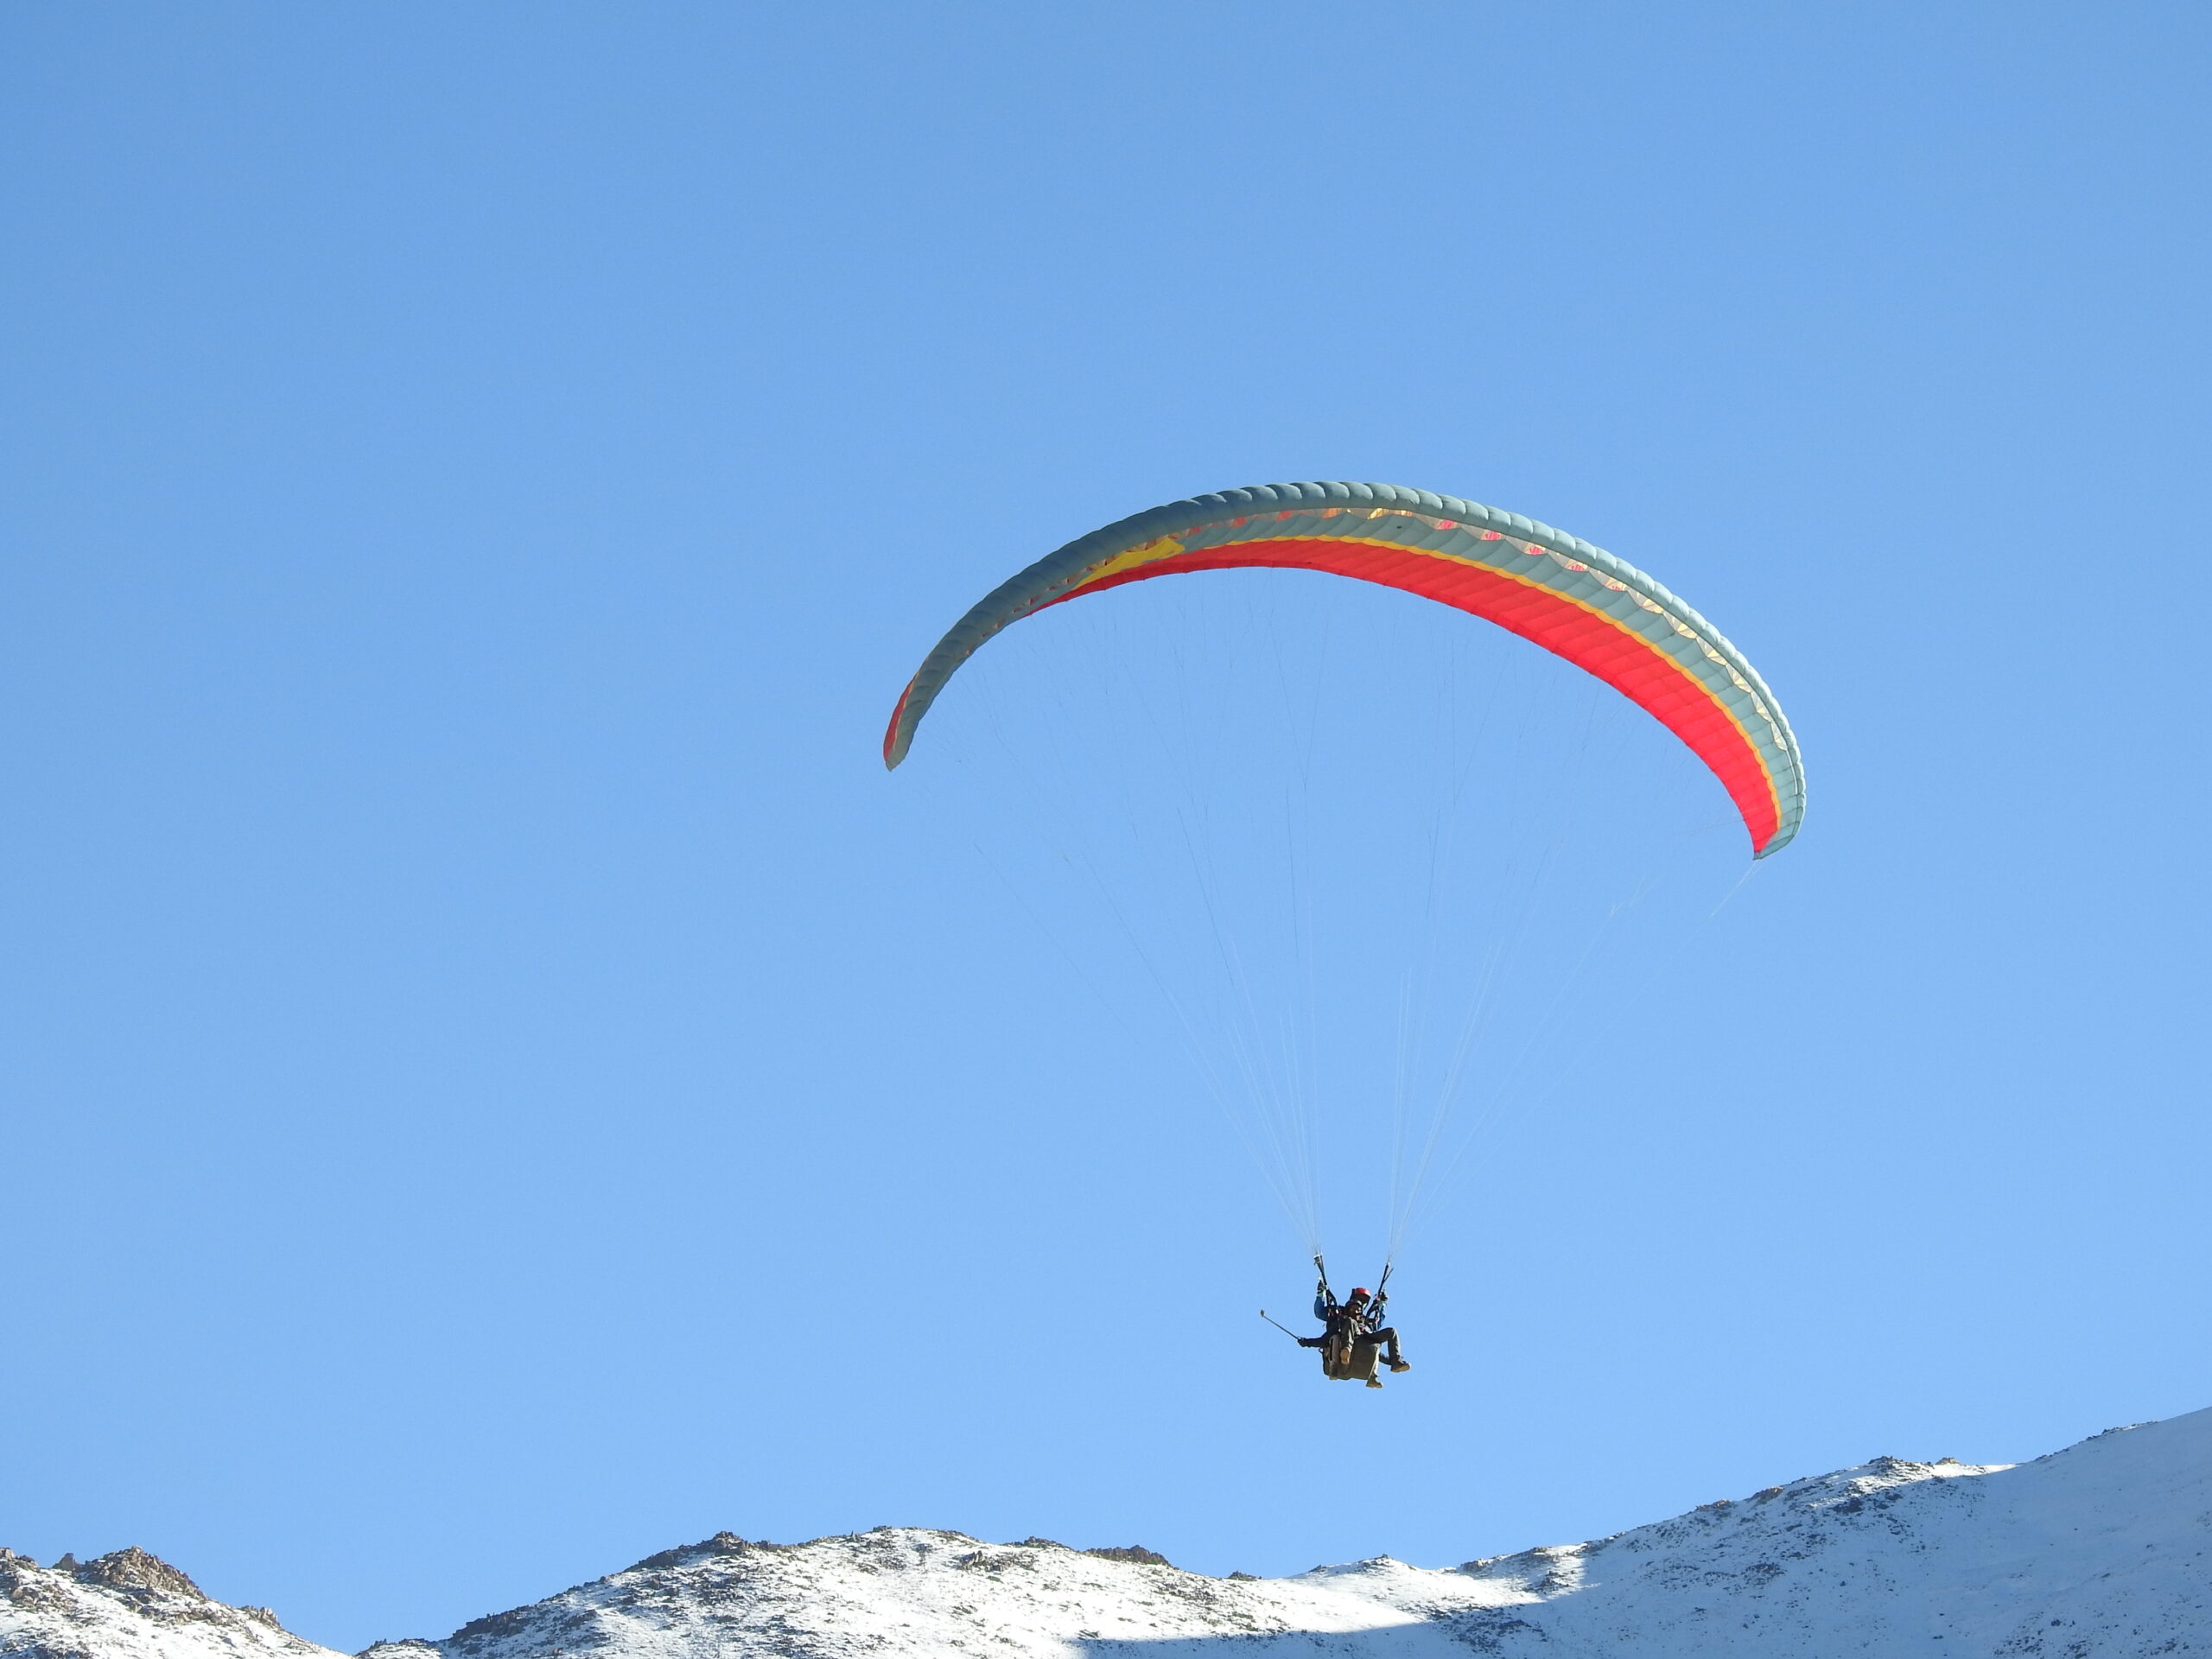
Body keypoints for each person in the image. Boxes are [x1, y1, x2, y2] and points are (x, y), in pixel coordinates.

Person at [1298, 1280, 1410, 1386]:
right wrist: (1320, 1294)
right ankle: (1346, 1351)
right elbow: (1322, 1327)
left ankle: (1394, 1363)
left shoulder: (1365, 1322)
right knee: (1350, 1323)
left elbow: (1376, 1336)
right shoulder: (1339, 1319)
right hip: (1341, 1346)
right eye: (1358, 1300)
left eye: (1363, 1302)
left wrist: (1383, 1304)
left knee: (1391, 1332)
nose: (1357, 1309)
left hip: (1363, 1341)